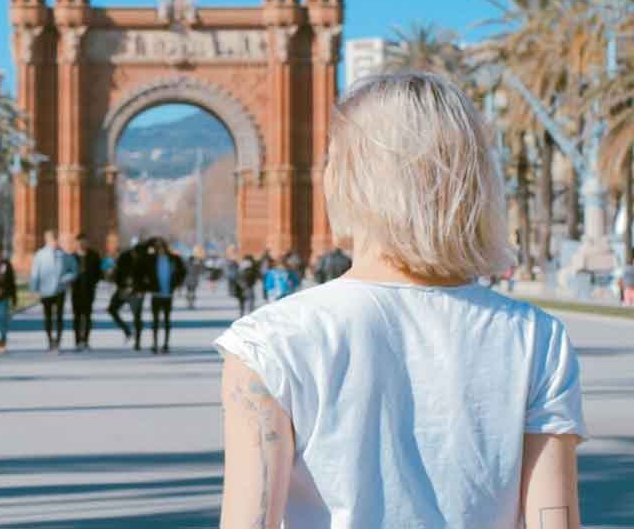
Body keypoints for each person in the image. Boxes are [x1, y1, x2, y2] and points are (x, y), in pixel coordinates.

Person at [213, 72, 585, 527]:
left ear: (351, 178)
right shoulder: (537, 338)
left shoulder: (267, 342)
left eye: (330, 158)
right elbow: (555, 521)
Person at [29, 230, 76, 351]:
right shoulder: (40, 255)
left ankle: (58, 341)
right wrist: (33, 290)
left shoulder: (64, 255)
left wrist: (65, 278)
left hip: (60, 290)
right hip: (46, 291)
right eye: (51, 239)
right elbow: (35, 273)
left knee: (59, 316)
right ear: (47, 240)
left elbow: (74, 270)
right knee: (48, 317)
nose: (54, 241)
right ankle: (50, 340)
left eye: (55, 239)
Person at [110, 237, 150, 350]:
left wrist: (142, 290)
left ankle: (137, 342)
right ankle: (127, 331)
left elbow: (148, 276)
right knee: (112, 309)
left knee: (137, 316)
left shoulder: (144, 258)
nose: (136, 250)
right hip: (123, 290)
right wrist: (120, 286)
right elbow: (117, 272)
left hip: (137, 291)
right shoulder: (124, 256)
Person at [148, 237, 186, 354]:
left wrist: (176, 284)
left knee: (166, 320)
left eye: (161, 246)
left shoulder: (173, 259)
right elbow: (142, 270)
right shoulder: (151, 260)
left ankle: (166, 344)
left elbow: (182, 271)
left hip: (168, 294)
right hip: (156, 293)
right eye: (157, 247)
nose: (160, 249)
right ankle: (154, 344)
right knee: (155, 320)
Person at [71, 234, 103, 350]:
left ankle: (86, 340)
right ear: (76, 243)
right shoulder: (72, 257)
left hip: (89, 290)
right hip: (76, 291)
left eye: (84, 242)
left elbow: (99, 273)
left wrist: (93, 281)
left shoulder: (94, 256)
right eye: (80, 242)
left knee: (88, 316)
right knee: (77, 317)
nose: (82, 244)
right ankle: (77, 341)